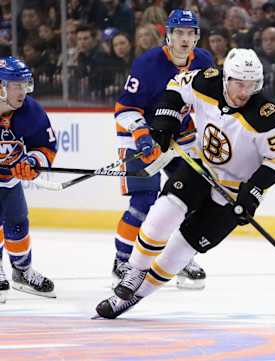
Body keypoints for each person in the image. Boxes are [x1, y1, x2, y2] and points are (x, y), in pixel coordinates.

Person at [95, 48, 275, 319]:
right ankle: (133, 272)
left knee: (182, 248)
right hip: (200, 167)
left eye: (252, 85)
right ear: (226, 78)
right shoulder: (206, 81)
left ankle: (133, 298)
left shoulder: (269, 116)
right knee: (161, 215)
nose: (244, 91)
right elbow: (176, 87)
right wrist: (166, 119)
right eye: (239, 83)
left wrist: (254, 191)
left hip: (233, 192)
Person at [111, 9, 214, 290]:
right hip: (140, 134)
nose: (184, 39)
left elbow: (209, 105)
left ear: (197, 36)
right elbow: (125, 109)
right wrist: (143, 135)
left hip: (179, 134)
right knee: (143, 202)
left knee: (188, 197)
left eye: (190, 33)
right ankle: (122, 261)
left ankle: (178, 260)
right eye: (178, 33)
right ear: (168, 35)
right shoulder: (148, 64)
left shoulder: (205, 62)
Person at [0, 56, 56, 303]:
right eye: (16, 85)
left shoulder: (31, 111)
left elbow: (46, 146)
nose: (23, 91)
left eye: (25, 84)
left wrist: (32, 164)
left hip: (9, 182)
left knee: (18, 223)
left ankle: (22, 271)